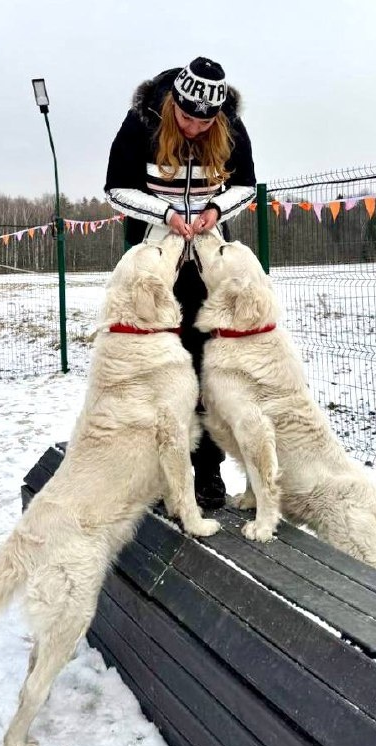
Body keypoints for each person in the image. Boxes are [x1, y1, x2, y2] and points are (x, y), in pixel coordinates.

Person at [104, 56, 256, 509]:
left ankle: (207, 470)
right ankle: (153, 473)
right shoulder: (142, 121)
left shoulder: (230, 125)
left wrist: (215, 211)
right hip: (155, 260)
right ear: (174, 103)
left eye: (204, 123)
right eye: (187, 119)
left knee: (205, 363)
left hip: (206, 261)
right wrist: (167, 215)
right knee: (154, 364)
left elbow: (246, 185)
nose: (193, 129)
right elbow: (116, 188)